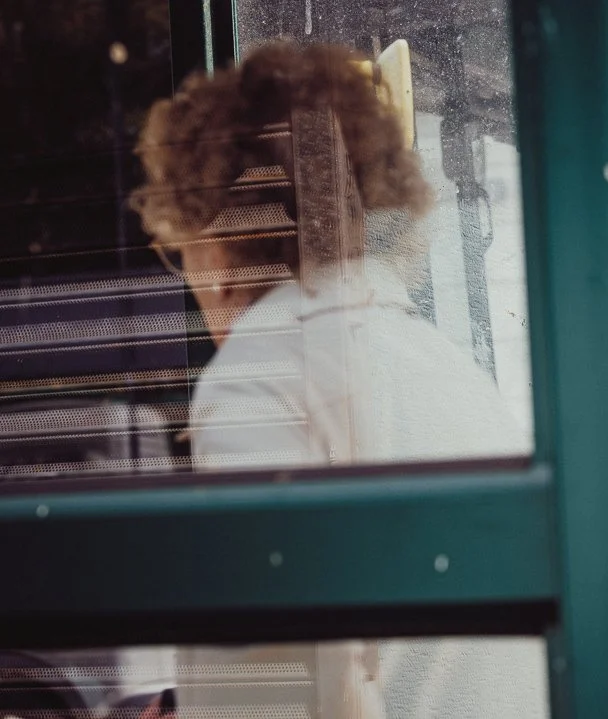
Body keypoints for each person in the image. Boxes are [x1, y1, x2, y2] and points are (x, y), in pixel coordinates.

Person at [131, 42, 544, 718]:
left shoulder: (262, 372)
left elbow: (265, 693)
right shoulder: (437, 359)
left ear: (216, 244)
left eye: (180, 250)